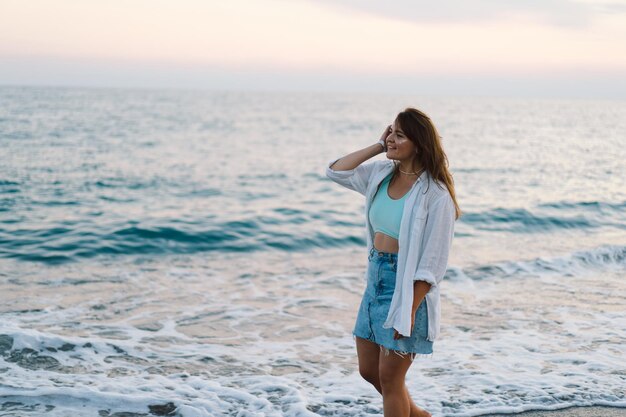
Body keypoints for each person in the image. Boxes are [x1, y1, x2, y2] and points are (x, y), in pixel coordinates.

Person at [325, 108, 461, 417]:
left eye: (399, 135)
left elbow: (432, 263)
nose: (391, 139)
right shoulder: (379, 175)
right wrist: (378, 145)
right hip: (375, 281)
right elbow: (335, 171)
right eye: (391, 132)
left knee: (390, 378)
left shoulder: (435, 195)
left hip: (407, 288)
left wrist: (408, 310)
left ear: (419, 143)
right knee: (369, 371)